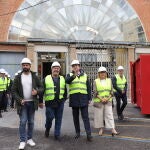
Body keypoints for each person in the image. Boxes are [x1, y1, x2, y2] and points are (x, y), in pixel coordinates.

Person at [11, 57, 43, 150]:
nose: (25, 66)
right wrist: (19, 99)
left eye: (27, 65)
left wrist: (36, 92)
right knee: (23, 122)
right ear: (22, 66)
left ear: (30, 66)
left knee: (31, 122)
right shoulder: (18, 77)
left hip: (32, 103)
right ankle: (22, 141)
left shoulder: (34, 76)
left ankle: (29, 139)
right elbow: (13, 91)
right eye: (24, 65)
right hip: (22, 104)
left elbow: (41, 87)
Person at [66, 60, 92, 142]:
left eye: (76, 65)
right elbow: (67, 81)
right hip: (74, 99)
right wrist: (74, 75)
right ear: (72, 67)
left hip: (84, 98)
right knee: (75, 118)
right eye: (73, 66)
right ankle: (77, 132)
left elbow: (88, 87)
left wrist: (89, 98)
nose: (75, 67)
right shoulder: (69, 75)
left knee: (85, 117)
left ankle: (89, 134)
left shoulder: (85, 75)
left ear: (79, 66)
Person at [42, 61, 67, 141]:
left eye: (57, 68)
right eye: (54, 68)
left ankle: (57, 134)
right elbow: (42, 90)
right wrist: (40, 101)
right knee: (50, 117)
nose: (56, 69)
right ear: (51, 69)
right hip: (49, 103)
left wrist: (64, 99)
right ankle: (47, 128)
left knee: (59, 118)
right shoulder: (46, 79)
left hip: (60, 103)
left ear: (59, 69)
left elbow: (65, 90)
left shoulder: (62, 78)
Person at [93, 66, 119, 136]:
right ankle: (101, 129)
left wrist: (107, 98)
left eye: (104, 72)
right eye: (101, 72)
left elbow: (112, 91)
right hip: (99, 101)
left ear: (106, 73)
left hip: (108, 101)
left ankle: (112, 129)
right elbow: (95, 92)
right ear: (98, 74)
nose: (102, 74)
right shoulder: (96, 81)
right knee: (100, 116)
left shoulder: (109, 80)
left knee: (109, 115)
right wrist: (102, 99)